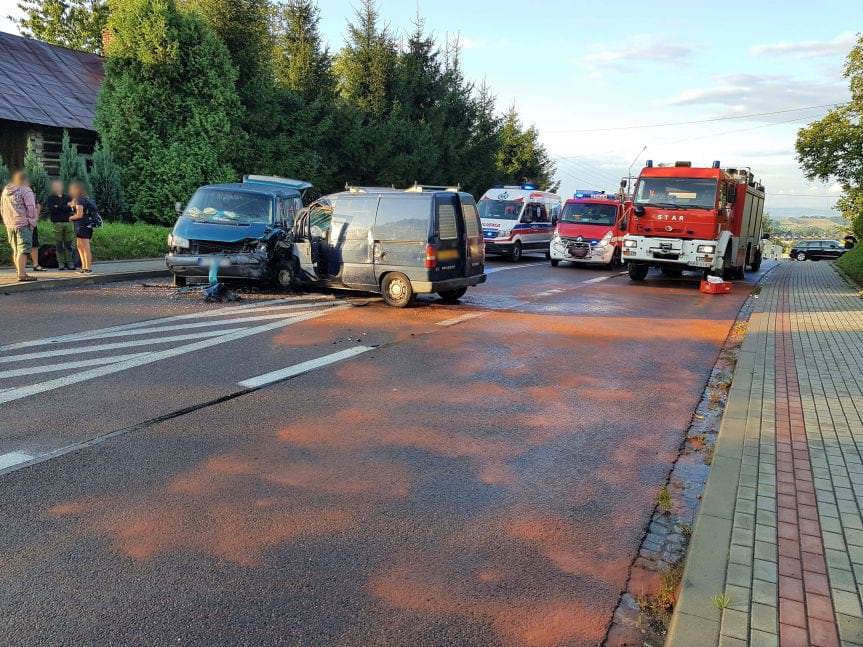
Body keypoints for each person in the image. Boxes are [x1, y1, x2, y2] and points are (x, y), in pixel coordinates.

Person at [1, 170, 39, 282]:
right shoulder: (26, 190)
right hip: (23, 224)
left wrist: (6, 221)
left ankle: (19, 272)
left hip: (10, 224)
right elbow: (31, 208)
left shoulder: (6, 191)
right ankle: (22, 275)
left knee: (16, 250)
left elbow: (2, 208)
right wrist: (32, 223)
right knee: (23, 250)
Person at [69, 181, 98, 274]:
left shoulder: (79, 199)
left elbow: (79, 214)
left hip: (82, 225)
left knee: (85, 247)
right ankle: (84, 267)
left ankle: (88, 268)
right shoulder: (84, 198)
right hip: (84, 225)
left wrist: (70, 217)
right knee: (80, 246)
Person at [47, 179, 75, 270]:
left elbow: (71, 208)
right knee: (59, 244)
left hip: (68, 223)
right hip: (57, 223)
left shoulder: (68, 197)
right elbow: (52, 209)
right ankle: (61, 263)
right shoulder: (51, 198)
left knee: (69, 244)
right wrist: (65, 206)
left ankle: (70, 262)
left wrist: (58, 206)